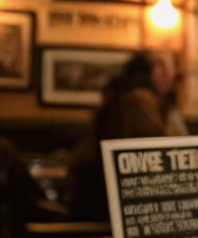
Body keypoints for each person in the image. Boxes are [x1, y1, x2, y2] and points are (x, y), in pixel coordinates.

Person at [65, 50, 186, 220]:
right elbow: (149, 158)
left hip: (104, 197)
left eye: (171, 65)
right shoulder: (138, 99)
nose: (170, 72)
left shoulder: (151, 100)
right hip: (106, 205)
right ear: (150, 70)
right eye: (161, 65)